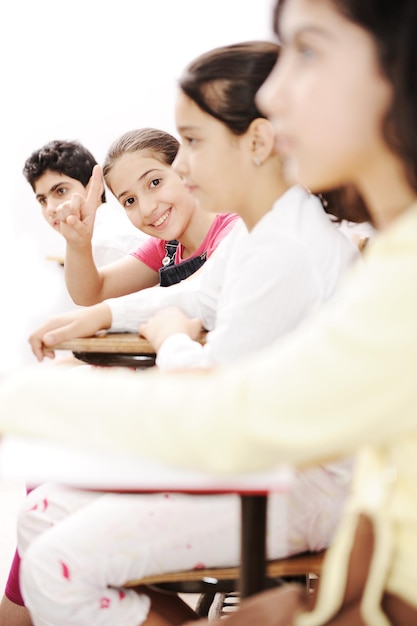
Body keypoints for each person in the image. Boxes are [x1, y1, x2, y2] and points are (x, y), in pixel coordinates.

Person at [0, 0, 416, 623]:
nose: (181, 172)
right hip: (274, 459)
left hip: (298, 481)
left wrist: (29, 396)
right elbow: (186, 297)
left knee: (56, 566)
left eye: (307, 50)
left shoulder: (297, 248)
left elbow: (221, 410)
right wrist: (104, 315)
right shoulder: (263, 235)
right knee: (39, 520)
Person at [56, 128, 239, 305]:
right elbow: (91, 293)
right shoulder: (166, 247)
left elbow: (197, 291)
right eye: (129, 201)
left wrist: (104, 316)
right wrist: (78, 245)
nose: (146, 209)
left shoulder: (234, 230)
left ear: (183, 169)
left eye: (155, 182)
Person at [22, 139, 147, 268]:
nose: (50, 209)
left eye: (61, 191)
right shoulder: (92, 242)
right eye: (43, 200)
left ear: (95, 187)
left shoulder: (105, 245)